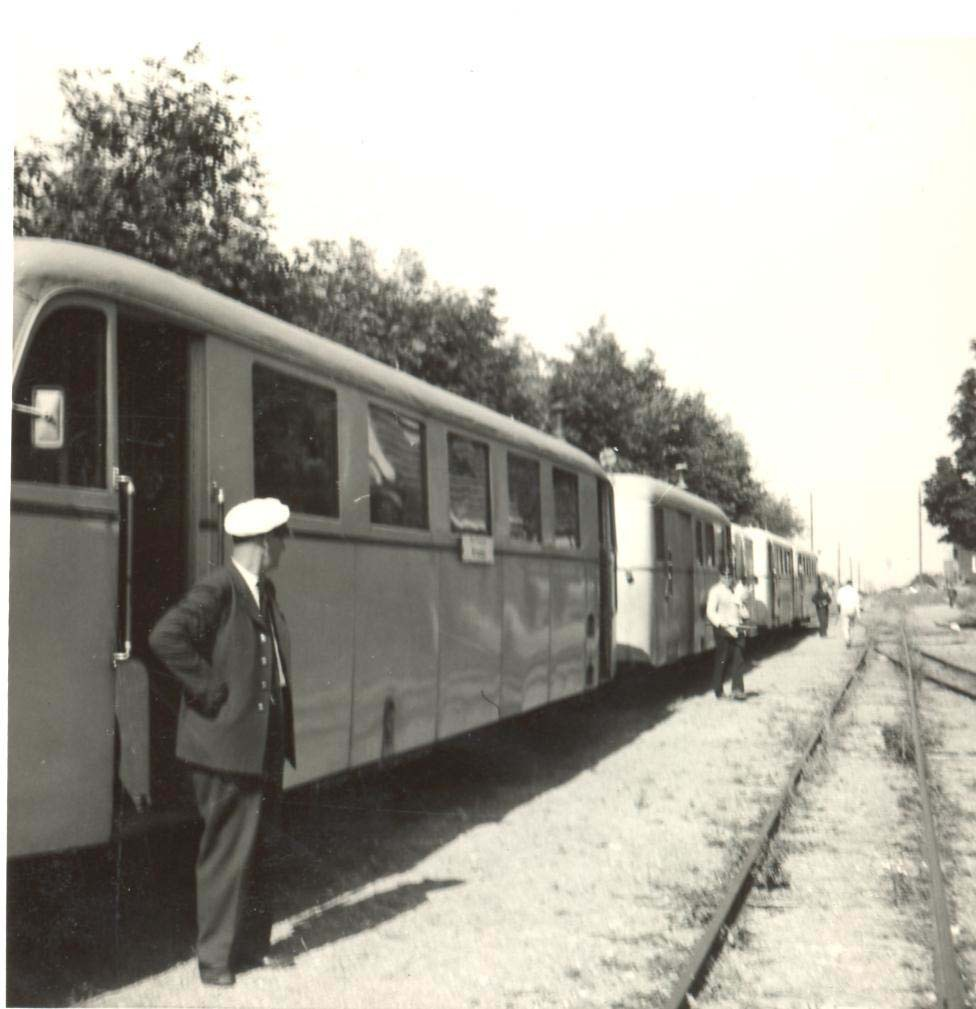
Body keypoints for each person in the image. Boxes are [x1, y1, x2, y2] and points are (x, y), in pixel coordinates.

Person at [150, 497, 296, 987]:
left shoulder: (260, 589)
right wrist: (209, 689)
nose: (285, 544)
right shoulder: (220, 588)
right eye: (281, 535)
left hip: (259, 742)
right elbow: (165, 637)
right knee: (226, 852)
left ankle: (252, 948)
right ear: (261, 541)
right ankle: (214, 961)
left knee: (258, 847)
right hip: (225, 745)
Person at [706, 567, 748, 700]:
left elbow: (741, 609)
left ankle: (737, 690)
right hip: (722, 629)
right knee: (723, 659)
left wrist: (742, 608)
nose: (727, 578)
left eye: (730, 576)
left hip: (736, 628)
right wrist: (721, 622)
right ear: (720, 576)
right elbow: (710, 612)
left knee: (738, 658)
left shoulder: (735, 590)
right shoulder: (715, 591)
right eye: (724, 576)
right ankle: (718, 690)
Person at [835, 578, 861, 649]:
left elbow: (838, 602)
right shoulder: (854, 591)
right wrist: (858, 614)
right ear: (851, 584)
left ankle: (847, 639)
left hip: (844, 610)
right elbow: (857, 603)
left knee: (845, 626)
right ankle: (850, 639)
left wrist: (839, 611)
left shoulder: (841, 590)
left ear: (846, 584)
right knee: (851, 626)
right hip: (852, 610)